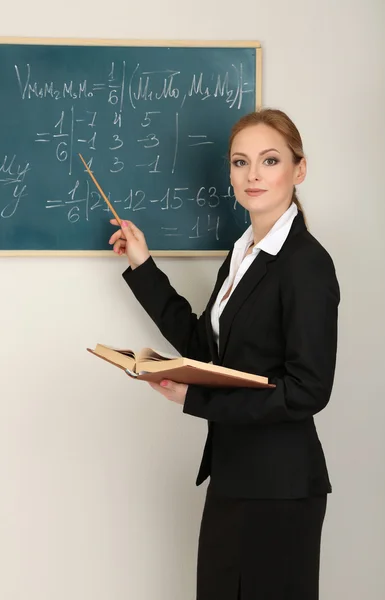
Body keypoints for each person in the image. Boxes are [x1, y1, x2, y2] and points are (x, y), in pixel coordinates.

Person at [108, 108, 340, 600]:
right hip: (235, 475)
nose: (253, 174)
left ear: (299, 170)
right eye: (240, 162)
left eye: (269, 160)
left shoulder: (306, 264)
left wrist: (195, 400)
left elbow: (308, 390)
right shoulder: (243, 255)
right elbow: (205, 350)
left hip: (280, 489)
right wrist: (142, 265)